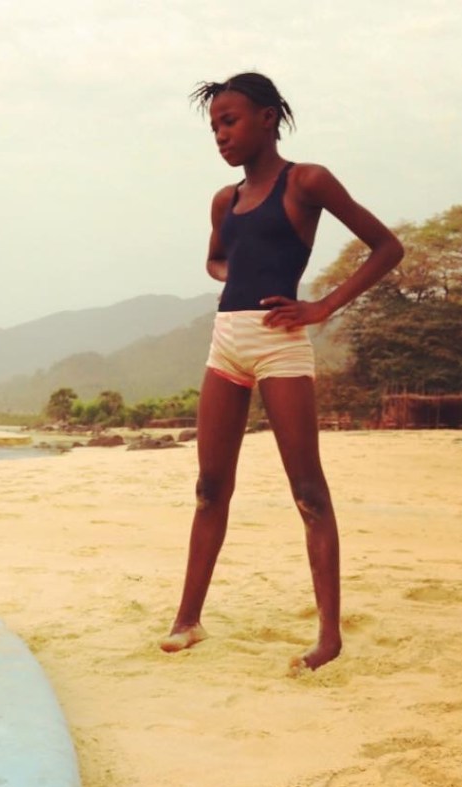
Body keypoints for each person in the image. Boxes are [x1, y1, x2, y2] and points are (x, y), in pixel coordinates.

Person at [162, 72, 403, 671]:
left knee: (308, 491)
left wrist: (322, 306)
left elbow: (387, 247)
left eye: (230, 121)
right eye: (214, 126)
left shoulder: (307, 181)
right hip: (226, 343)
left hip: (281, 345)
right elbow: (216, 259)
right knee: (209, 488)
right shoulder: (224, 200)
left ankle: (329, 637)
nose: (220, 135)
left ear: (268, 118)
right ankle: (188, 620)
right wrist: (241, 274)